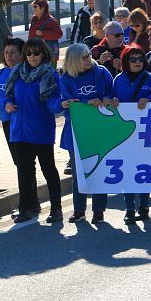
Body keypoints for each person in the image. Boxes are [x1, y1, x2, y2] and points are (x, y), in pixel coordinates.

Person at [3, 38, 64, 223]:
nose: (32, 56)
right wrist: (8, 104)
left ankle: (56, 209)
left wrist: (61, 105)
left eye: (36, 53)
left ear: (43, 54)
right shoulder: (17, 72)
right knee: (24, 172)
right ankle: (26, 208)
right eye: (28, 53)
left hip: (40, 130)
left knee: (48, 169)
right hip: (19, 131)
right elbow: (8, 95)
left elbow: (53, 100)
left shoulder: (50, 74)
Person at [58, 43, 114, 223]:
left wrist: (107, 98)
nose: (88, 59)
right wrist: (86, 102)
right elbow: (68, 105)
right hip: (77, 132)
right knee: (78, 174)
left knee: (99, 171)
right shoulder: (66, 78)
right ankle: (79, 210)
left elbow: (111, 91)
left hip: (100, 129)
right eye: (83, 57)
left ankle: (99, 210)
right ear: (74, 60)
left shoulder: (101, 72)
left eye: (89, 55)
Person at [112, 46, 151, 224]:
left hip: (147, 133)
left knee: (144, 170)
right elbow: (111, 96)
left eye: (140, 59)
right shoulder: (118, 80)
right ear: (126, 62)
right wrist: (113, 99)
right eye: (133, 59)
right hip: (126, 134)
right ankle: (130, 208)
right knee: (128, 170)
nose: (137, 62)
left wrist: (150, 100)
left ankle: (144, 205)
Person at [0, 39, 24, 171]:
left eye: (13, 52)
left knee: (25, 163)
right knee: (18, 162)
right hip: (7, 122)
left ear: (22, 54)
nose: (9, 56)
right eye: (6, 52)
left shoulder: (26, 73)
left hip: (22, 122)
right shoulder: (1, 73)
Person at [28, 0, 63, 66]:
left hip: (49, 54)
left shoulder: (51, 21)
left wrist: (43, 33)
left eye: (35, 6)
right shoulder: (34, 19)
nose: (33, 9)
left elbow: (59, 34)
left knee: (51, 71)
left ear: (43, 8)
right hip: (36, 52)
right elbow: (31, 34)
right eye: (33, 7)